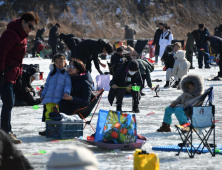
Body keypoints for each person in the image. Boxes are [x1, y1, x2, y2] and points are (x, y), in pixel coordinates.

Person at [0, 11, 39, 144]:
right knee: (8, 102)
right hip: (5, 74)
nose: (31, 30)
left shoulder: (23, 36)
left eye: (33, 28)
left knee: (9, 102)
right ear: (22, 22)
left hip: (12, 75)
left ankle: (6, 132)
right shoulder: (10, 34)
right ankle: (6, 133)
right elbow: (1, 54)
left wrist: (20, 77)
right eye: (30, 26)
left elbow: (18, 60)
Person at [40, 54, 71, 122]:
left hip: (59, 99)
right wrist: (43, 95)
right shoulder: (51, 73)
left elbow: (68, 85)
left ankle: (57, 129)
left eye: (60, 62)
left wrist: (66, 92)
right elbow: (47, 85)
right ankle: (49, 129)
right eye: (56, 62)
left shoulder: (66, 73)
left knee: (57, 115)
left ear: (65, 62)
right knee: (48, 114)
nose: (58, 64)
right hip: (49, 98)